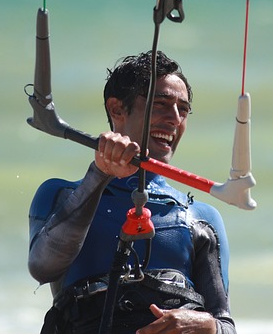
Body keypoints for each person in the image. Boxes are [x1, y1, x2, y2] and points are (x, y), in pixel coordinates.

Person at [28, 51, 236, 333]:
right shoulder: (62, 195)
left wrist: (207, 325)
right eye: (161, 104)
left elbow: (226, 325)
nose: (174, 119)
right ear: (116, 109)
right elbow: (43, 267)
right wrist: (100, 174)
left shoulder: (200, 218)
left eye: (183, 109)